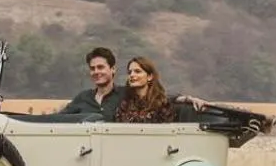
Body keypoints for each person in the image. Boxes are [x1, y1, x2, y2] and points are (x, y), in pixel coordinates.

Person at [59, 46, 216, 120]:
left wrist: (189, 99)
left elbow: (160, 97)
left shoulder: (125, 95)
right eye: (92, 68)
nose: (96, 72)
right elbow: (59, 119)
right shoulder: (83, 98)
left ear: (112, 69)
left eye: (100, 67)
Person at [113, 55, 177, 123]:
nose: (131, 75)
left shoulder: (162, 104)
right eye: (129, 72)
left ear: (149, 77)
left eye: (137, 71)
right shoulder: (124, 104)